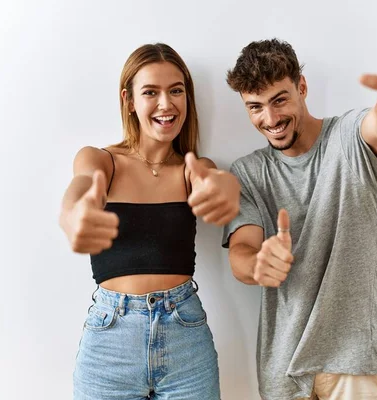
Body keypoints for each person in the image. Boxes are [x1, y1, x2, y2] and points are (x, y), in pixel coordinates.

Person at [222, 38, 377, 400]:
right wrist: (259, 264)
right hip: (283, 374)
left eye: (279, 100)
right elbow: (241, 251)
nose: (269, 119)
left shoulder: (348, 137)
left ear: (301, 87)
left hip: (358, 365)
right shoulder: (249, 172)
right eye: (255, 107)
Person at [59, 43, 239, 400]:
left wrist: (226, 188)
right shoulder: (102, 160)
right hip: (110, 342)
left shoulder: (192, 168)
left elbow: (212, 179)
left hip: (185, 338)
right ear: (129, 100)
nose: (165, 104)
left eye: (176, 90)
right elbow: (81, 186)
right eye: (150, 92)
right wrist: (72, 214)